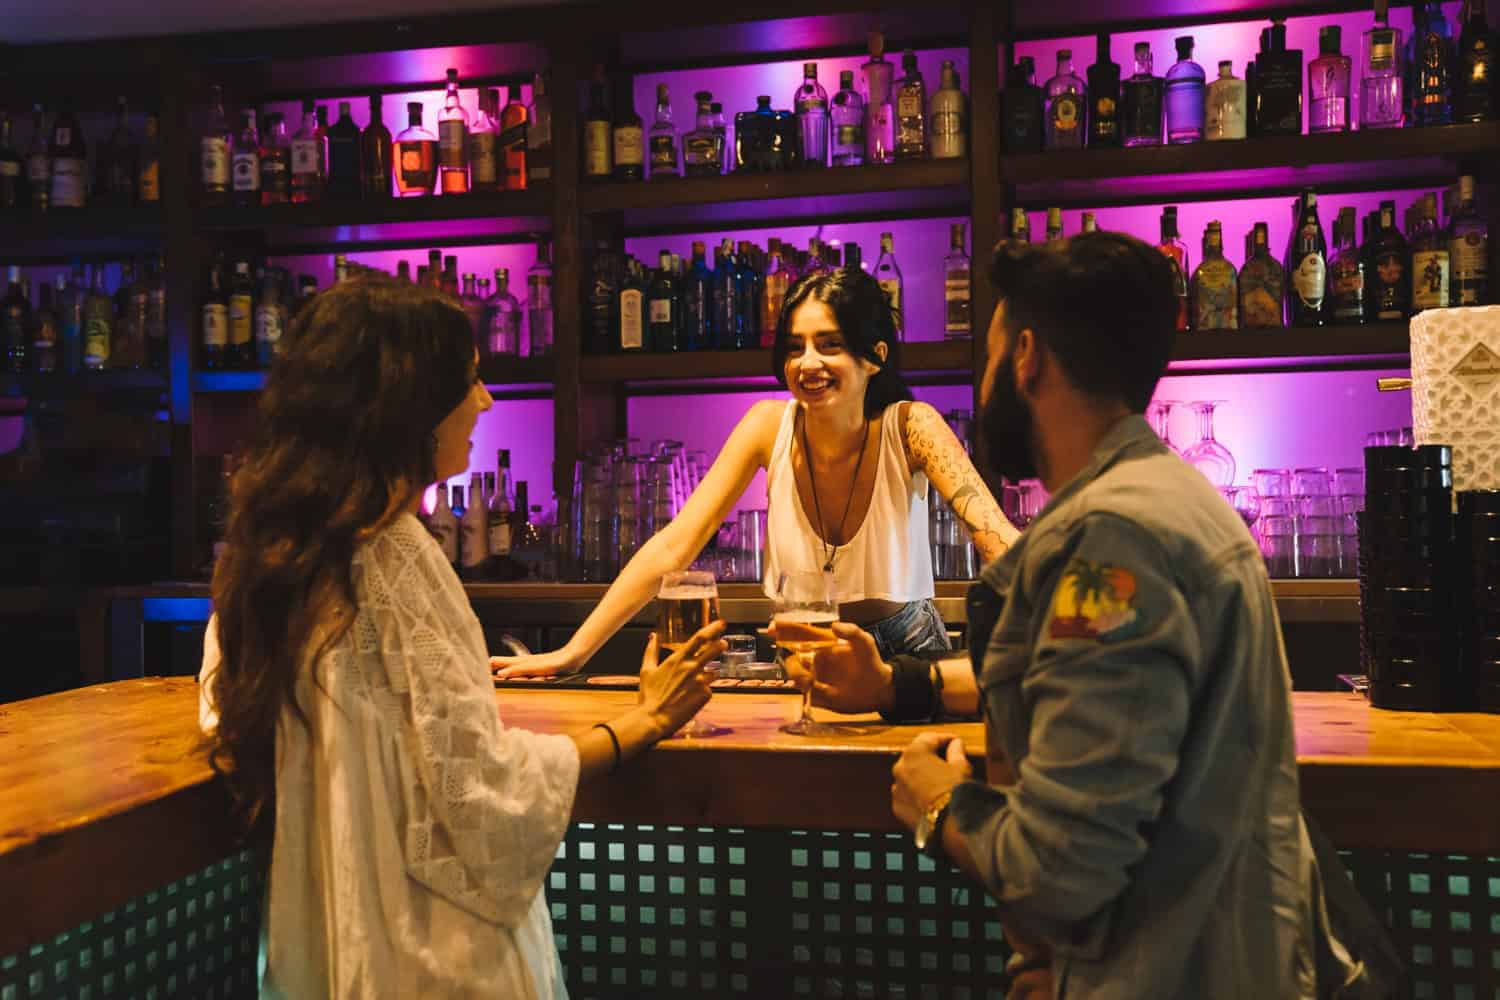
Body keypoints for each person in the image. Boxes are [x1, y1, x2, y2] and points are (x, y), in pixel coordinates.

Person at [783, 232, 1363, 998]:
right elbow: (1092, 688)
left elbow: (1059, 869)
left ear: (1025, 357)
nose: (986, 382)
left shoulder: (1113, 546)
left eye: (989, 358)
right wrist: (897, 685)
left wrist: (940, 805)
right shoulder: (1159, 500)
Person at [196, 276, 725, 998]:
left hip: (320, 939)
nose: (486, 402)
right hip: (428, 954)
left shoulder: (266, 557)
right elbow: (479, 789)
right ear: (408, 406)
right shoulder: (393, 554)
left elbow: (225, 721)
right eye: (470, 382)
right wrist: (645, 720)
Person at [496, 267, 1017, 678]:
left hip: (907, 654)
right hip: (800, 648)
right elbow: (676, 544)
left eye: (829, 344)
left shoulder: (912, 426)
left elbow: (994, 537)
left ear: (874, 357)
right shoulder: (768, 425)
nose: (806, 363)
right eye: (795, 346)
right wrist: (573, 653)